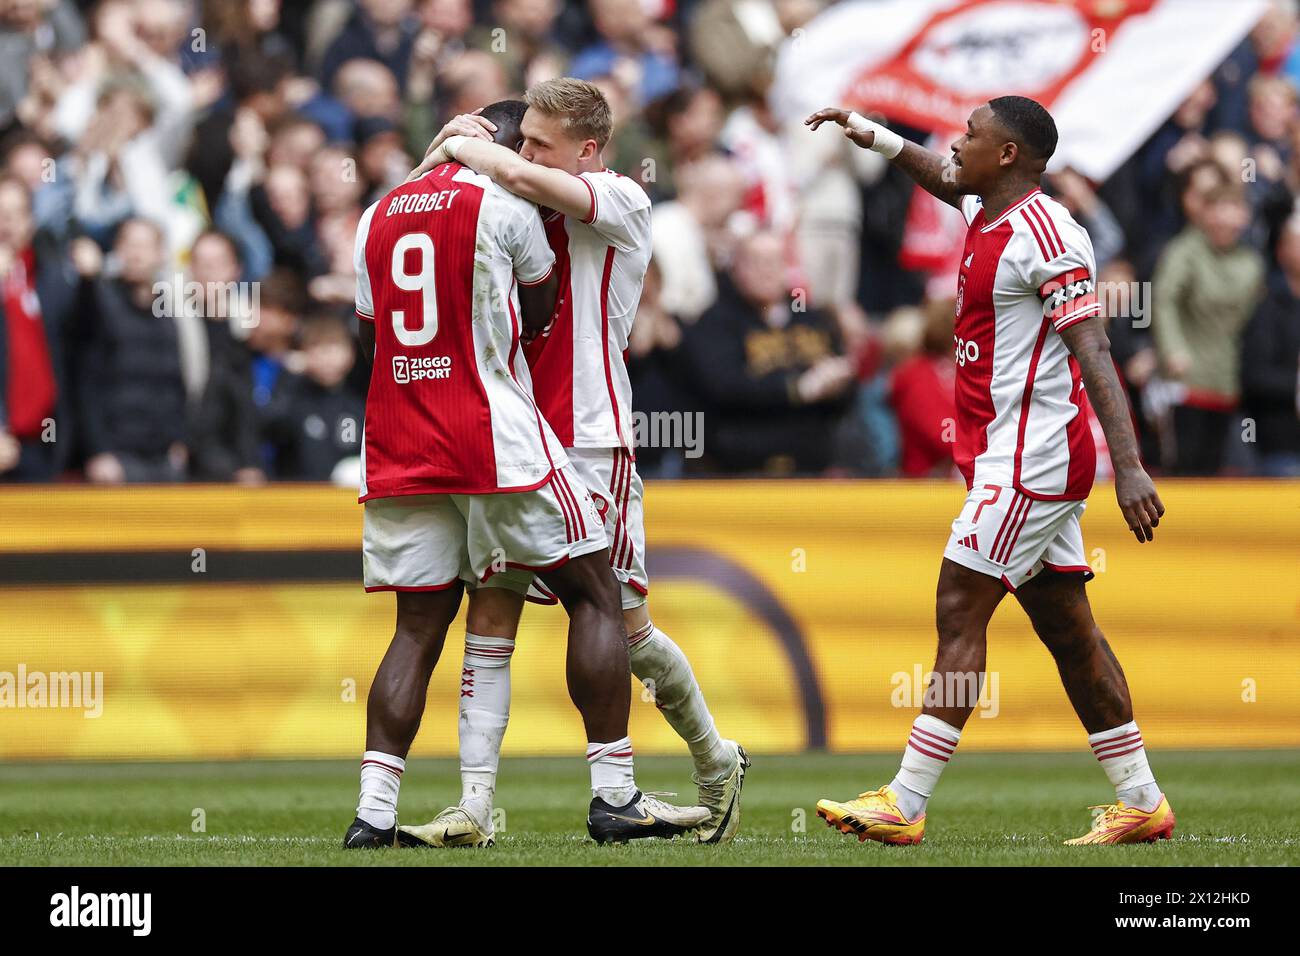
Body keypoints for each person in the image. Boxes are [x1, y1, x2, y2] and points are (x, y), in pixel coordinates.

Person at [805, 97, 1173, 846]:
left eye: (972, 134)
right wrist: (870, 134)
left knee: (958, 606)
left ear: (1008, 155)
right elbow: (942, 177)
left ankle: (905, 801)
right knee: (1069, 630)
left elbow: (1093, 350)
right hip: (1005, 453)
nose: (958, 141)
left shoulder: (1048, 235)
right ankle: (1142, 802)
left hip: (1030, 458)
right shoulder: (989, 209)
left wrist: (1128, 465)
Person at [343, 98, 707, 849]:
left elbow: (367, 325)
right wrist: (475, 163)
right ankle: (605, 795)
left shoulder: (380, 215)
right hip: (503, 436)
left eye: (545, 146)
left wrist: (445, 151)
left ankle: (375, 812)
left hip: (416, 443)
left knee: (426, 624)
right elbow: (537, 307)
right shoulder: (504, 207)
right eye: (526, 145)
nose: (531, 159)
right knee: (591, 600)